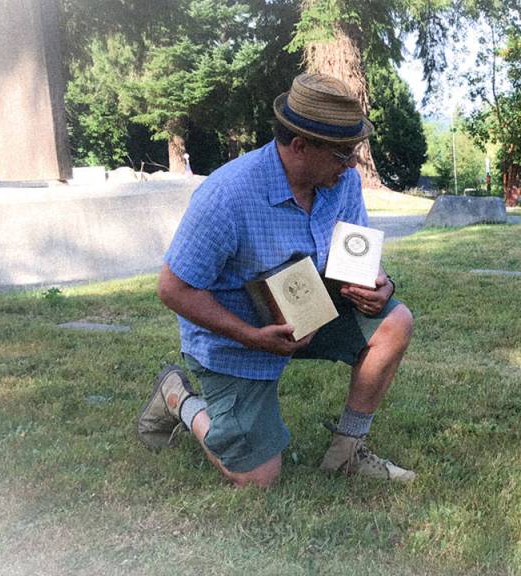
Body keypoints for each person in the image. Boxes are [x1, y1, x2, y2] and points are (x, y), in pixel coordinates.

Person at [136, 73, 415, 487]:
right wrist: (252, 336)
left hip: (310, 314)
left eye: (354, 151)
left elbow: (356, 260)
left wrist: (379, 287)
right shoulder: (227, 195)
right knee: (257, 478)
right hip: (234, 337)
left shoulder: (342, 183)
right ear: (299, 146)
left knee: (396, 322)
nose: (353, 164)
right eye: (342, 154)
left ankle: (347, 451)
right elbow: (172, 288)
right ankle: (177, 396)